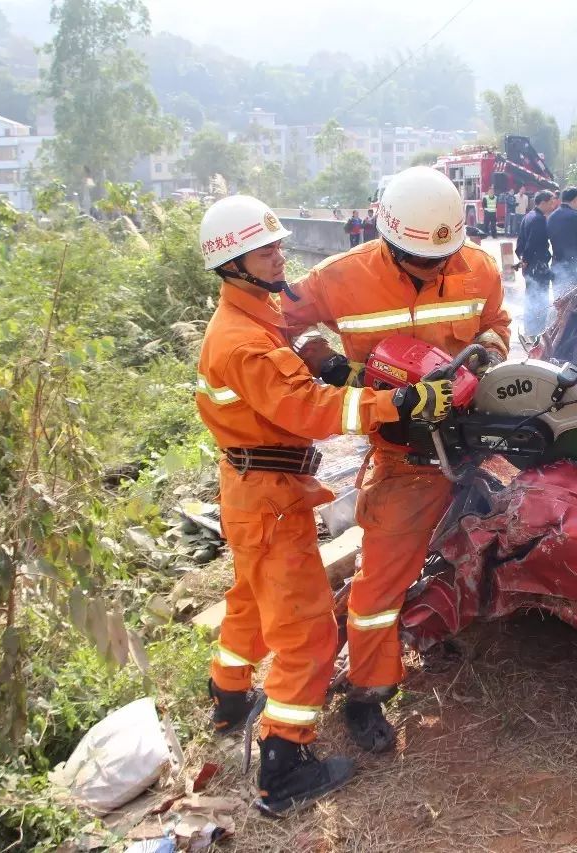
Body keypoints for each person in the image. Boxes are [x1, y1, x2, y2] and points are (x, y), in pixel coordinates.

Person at [196, 195, 452, 816]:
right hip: (268, 495)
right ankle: (282, 768)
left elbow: (300, 387)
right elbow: (310, 409)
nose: (279, 255)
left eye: (278, 244)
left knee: (253, 596)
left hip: (258, 489)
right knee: (309, 635)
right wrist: (397, 404)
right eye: (265, 250)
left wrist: (329, 363)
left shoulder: (254, 318)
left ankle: (229, 697)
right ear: (231, 265)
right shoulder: (246, 342)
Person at [283, 166, 511, 754]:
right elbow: (275, 323)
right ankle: (368, 689)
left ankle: (457, 618)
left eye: (444, 260)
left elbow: (497, 324)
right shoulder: (340, 278)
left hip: (478, 439)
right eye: (422, 262)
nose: (437, 270)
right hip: (405, 455)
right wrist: (328, 363)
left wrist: (484, 354)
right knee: (379, 582)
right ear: (389, 239)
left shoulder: (476, 265)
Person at [517, 189, 559, 335]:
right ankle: (537, 329)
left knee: (531, 296)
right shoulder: (538, 220)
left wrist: (522, 259)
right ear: (544, 202)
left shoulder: (528, 216)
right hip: (537, 265)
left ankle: (530, 328)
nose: (553, 205)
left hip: (530, 264)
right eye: (551, 202)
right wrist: (527, 260)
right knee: (538, 297)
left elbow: (520, 242)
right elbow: (531, 243)